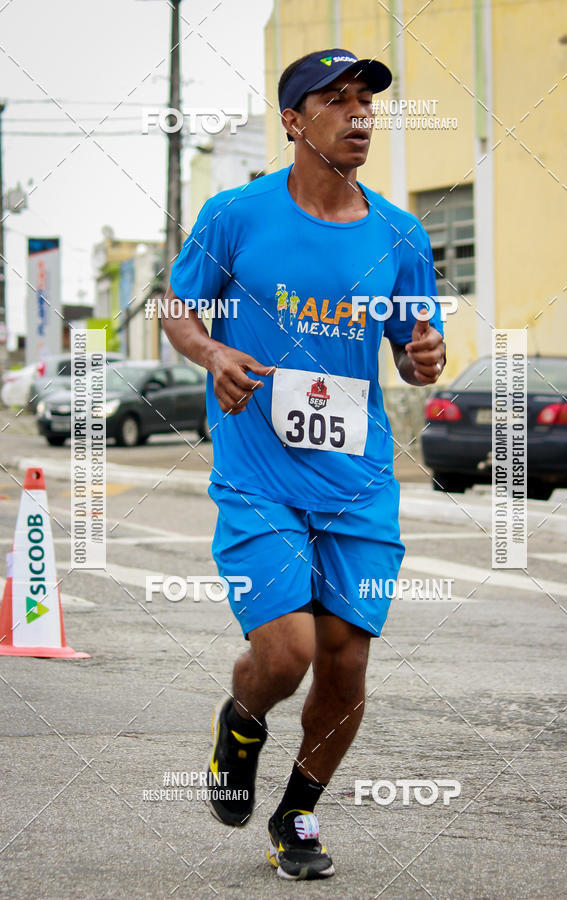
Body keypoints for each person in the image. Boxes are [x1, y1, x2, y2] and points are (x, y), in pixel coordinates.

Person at [162, 48, 446, 881]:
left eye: (367, 102)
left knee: (347, 658)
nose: (359, 115)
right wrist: (213, 352)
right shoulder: (237, 215)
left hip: (356, 479)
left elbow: (415, 347)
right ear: (293, 121)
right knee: (285, 652)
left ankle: (297, 814)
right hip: (259, 472)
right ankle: (241, 722)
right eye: (337, 100)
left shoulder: (400, 234)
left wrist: (426, 354)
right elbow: (179, 308)